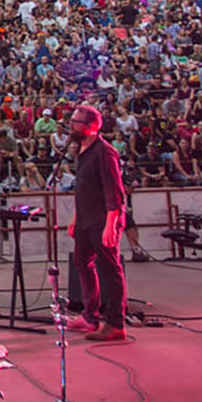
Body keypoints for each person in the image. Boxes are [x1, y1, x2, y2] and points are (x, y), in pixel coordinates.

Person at [66, 103, 128, 342]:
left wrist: (111, 224)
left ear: (91, 127)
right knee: (82, 263)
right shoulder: (81, 150)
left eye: (76, 122)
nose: (71, 126)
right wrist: (75, 217)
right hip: (85, 218)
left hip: (103, 219)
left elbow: (115, 192)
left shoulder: (104, 152)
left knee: (109, 270)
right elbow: (84, 188)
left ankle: (115, 323)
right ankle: (90, 316)